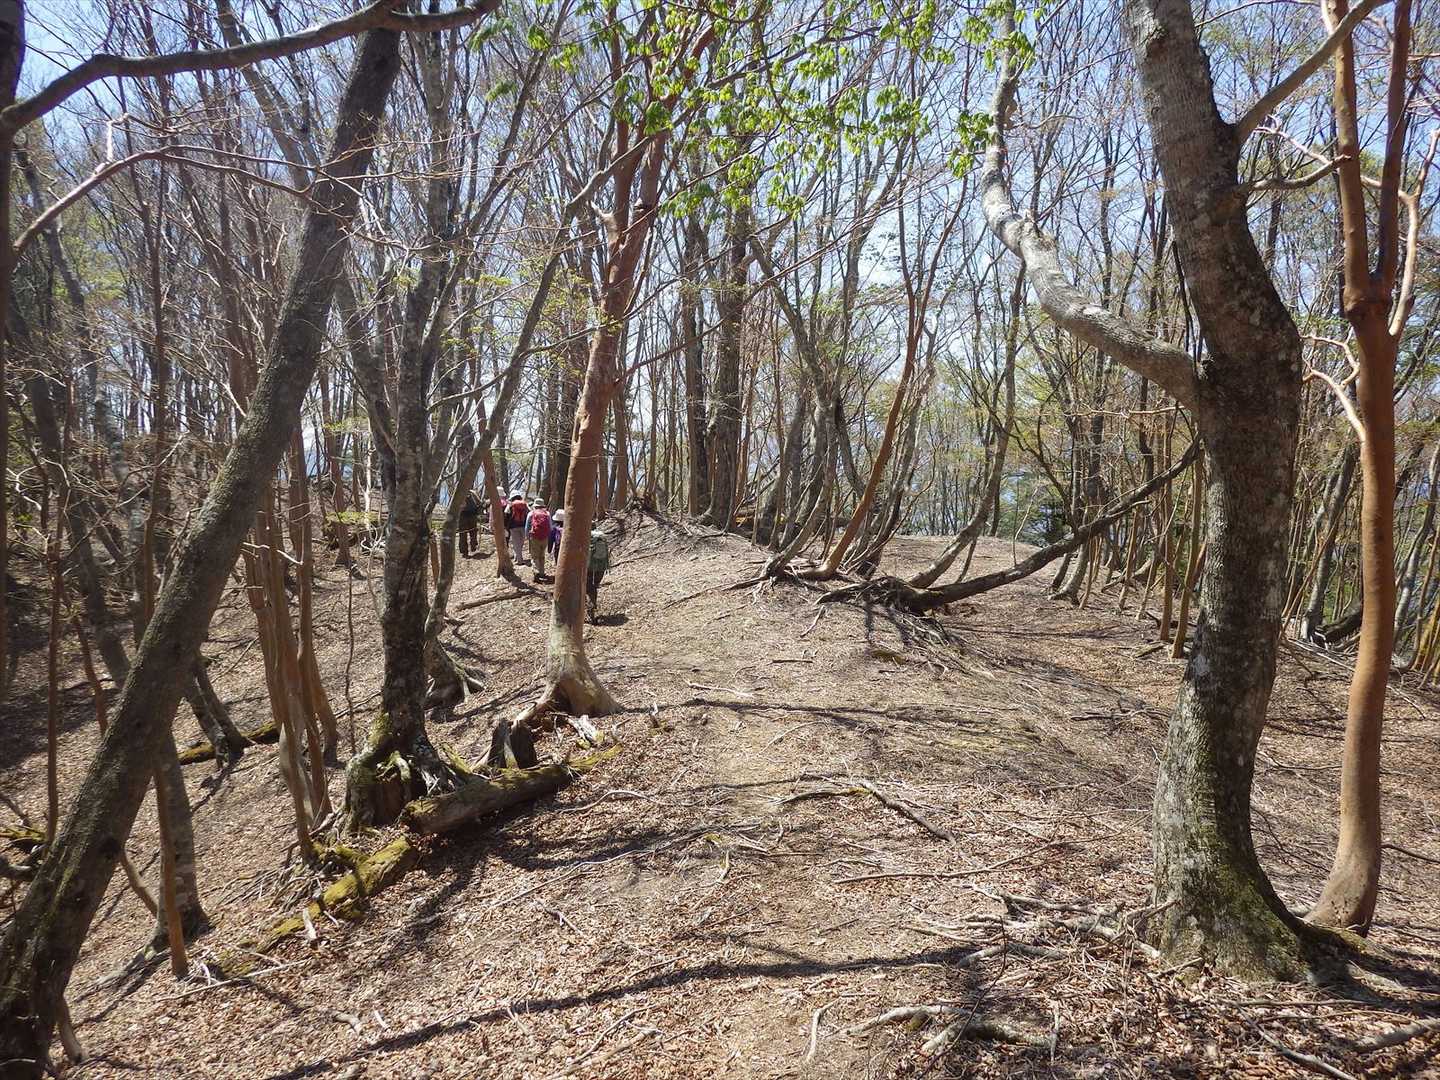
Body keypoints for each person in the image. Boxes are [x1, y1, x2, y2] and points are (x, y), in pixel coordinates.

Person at [586, 527, 610, 622]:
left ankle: (590, 613)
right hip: (601, 567)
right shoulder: (602, 537)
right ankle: (593, 607)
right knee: (594, 587)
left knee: (588, 589)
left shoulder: (586, 537)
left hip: (588, 568)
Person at [525, 498, 553, 581]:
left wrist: (527, 537)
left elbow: (527, 527)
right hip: (545, 538)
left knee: (535, 556)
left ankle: (536, 572)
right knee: (542, 555)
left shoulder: (531, 513)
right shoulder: (547, 514)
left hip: (534, 537)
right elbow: (551, 527)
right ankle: (542, 573)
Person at [505, 492, 529, 565]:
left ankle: (519, 560)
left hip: (513, 526)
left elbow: (506, 513)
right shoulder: (525, 504)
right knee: (521, 543)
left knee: (516, 543)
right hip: (523, 526)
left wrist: (506, 526)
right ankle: (517, 557)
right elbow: (529, 512)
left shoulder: (510, 504)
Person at [458, 489, 482, 558]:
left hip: (470, 515)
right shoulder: (460, 493)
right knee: (465, 533)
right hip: (465, 515)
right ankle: (466, 549)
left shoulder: (472, 493)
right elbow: (479, 503)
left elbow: (479, 503)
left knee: (470, 532)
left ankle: (470, 548)